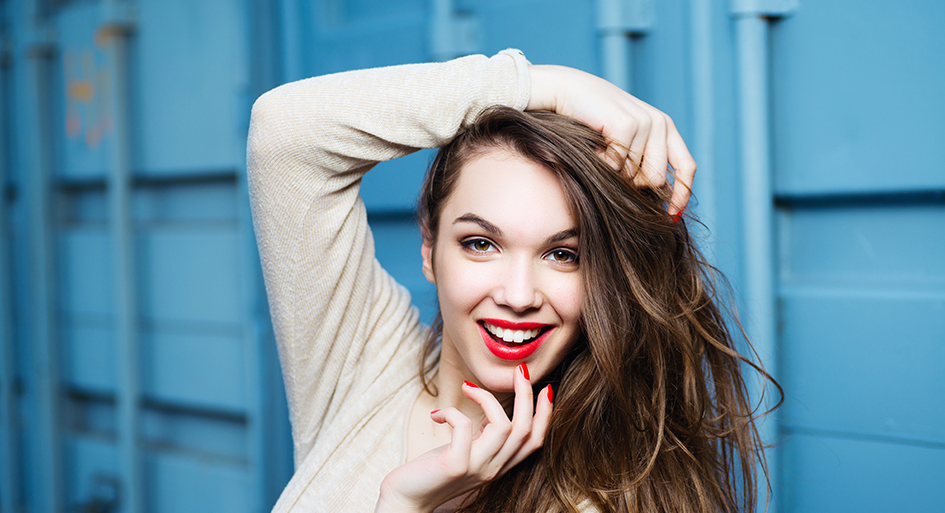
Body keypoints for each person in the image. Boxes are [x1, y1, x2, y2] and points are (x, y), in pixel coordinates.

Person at [247, 49, 774, 512]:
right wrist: (545, 85)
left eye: (564, 254)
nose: (518, 296)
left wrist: (403, 506)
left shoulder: (600, 496)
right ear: (429, 250)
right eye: (481, 244)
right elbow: (287, 132)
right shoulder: (365, 370)